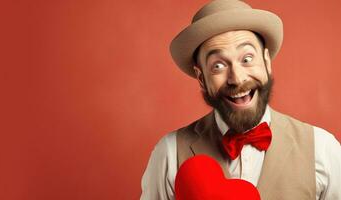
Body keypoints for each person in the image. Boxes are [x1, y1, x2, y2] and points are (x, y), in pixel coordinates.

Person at [140, 0, 341, 199]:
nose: (236, 78)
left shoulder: (322, 150)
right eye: (218, 66)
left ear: (267, 62)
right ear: (201, 78)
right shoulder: (169, 153)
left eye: (247, 59)